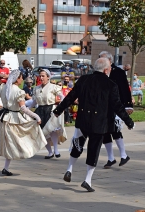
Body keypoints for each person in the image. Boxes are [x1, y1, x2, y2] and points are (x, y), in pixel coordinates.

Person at [53, 58, 135, 192]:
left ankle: (69, 169)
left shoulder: (84, 79)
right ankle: (87, 180)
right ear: (106, 70)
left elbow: (70, 97)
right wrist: (129, 121)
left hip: (83, 120)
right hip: (99, 123)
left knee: (77, 145)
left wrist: (58, 110)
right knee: (93, 150)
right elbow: (118, 106)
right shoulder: (111, 85)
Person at [0, 69, 47, 175]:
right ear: (17, 79)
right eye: (21, 78)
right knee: (11, 143)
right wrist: (36, 117)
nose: (22, 80)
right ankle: (5, 168)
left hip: (1, 116)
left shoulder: (3, 88)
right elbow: (24, 109)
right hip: (12, 118)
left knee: (0, 138)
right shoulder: (18, 91)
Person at [99, 51, 133, 168]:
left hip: (116, 105)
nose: (100, 61)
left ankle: (123, 155)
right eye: (99, 59)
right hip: (103, 106)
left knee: (115, 129)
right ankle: (111, 158)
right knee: (105, 131)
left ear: (110, 61)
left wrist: (128, 105)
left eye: (102, 59)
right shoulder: (98, 73)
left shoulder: (118, 72)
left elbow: (124, 88)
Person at [28, 69, 66, 158]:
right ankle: (49, 151)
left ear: (48, 77)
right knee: (41, 133)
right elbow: (34, 101)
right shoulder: (36, 88)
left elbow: (62, 96)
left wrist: (61, 106)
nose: (41, 78)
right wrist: (27, 109)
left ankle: (56, 150)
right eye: (40, 76)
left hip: (50, 109)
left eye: (43, 76)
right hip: (40, 110)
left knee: (52, 130)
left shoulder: (53, 87)